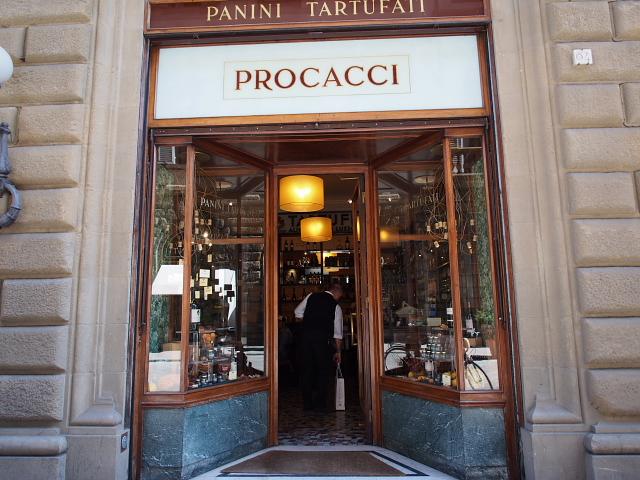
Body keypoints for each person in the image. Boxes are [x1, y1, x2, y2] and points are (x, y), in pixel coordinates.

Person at [294, 282, 344, 411]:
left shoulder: (311, 296)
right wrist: (338, 351)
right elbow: (337, 333)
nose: (340, 298)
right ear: (337, 292)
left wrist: (310, 320)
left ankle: (307, 404)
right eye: (340, 295)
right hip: (322, 342)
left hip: (305, 340)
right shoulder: (336, 307)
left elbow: (297, 312)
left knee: (307, 371)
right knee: (322, 372)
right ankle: (320, 405)